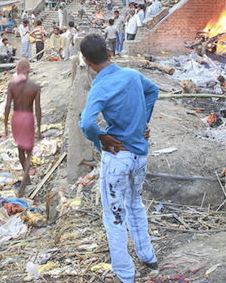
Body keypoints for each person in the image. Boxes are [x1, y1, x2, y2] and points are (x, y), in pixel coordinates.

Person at [78, 34, 159, 283]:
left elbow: (87, 122)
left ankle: (125, 273)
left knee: (114, 214)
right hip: (139, 155)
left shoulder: (99, 87)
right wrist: (143, 122)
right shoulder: (133, 76)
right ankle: (148, 256)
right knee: (135, 204)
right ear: (109, 52)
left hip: (117, 158)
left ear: (86, 61)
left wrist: (100, 139)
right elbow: (153, 90)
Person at [4, 59, 42, 197]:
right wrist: (39, 128)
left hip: (16, 117)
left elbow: (7, 105)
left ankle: (27, 179)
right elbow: (37, 108)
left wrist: (5, 126)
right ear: (29, 69)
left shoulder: (12, 85)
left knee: (20, 149)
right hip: (28, 117)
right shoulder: (35, 86)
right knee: (29, 152)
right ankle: (26, 180)